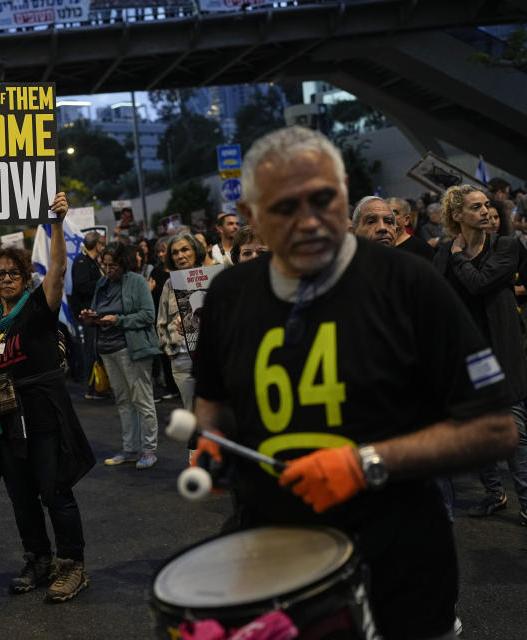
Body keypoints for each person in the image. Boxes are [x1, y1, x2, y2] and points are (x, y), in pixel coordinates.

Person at [193, 126, 516, 639]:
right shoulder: (230, 295)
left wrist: (366, 464)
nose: (309, 221)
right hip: (279, 561)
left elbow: (495, 429)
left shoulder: (409, 284)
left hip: (398, 565)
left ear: (344, 198)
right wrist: (212, 441)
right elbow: (213, 399)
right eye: (284, 207)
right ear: (251, 219)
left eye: (323, 199)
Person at [0, 192, 95, 603]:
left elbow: (58, 268)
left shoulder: (37, 309)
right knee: (21, 498)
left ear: (25, 279)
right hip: (5, 421)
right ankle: (38, 560)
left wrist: (57, 222)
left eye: (13, 274)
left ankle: (72, 566)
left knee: (54, 492)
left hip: (41, 416)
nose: (5, 279)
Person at [433, 185, 527, 525]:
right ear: (457, 216)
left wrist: (458, 255)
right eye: (477, 207)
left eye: (488, 205)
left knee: (514, 432)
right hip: (465, 357)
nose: (487, 211)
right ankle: (494, 493)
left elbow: (479, 282)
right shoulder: (444, 250)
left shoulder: (506, 245)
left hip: (502, 352)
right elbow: (437, 294)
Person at [82, 242, 161, 470]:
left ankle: (148, 450)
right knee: (124, 402)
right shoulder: (102, 282)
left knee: (142, 401)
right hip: (108, 349)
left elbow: (148, 315)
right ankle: (130, 449)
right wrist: (91, 317)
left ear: (123, 263)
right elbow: (100, 311)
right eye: (105, 264)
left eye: (113, 265)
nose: (108, 269)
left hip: (132, 349)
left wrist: (118, 320)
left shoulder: (136, 282)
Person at [155, 232, 208, 412]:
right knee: (191, 414)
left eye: (184, 249)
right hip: (182, 359)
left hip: (210, 355)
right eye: (175, 253)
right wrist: (169, 350)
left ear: (196, 251)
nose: (180, 256)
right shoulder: (169, 285)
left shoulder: (212, 277)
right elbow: (161, 322)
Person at [71, 231, 104, 398]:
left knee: (96, 349)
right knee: (91, 350)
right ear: (97, 245)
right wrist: (103, 282)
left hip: (94, 312)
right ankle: (92, 388)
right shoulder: (82, 262)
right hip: (88, 313)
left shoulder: (91, 261)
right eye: (101, 243)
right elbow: (82, 286)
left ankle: (99, 386)